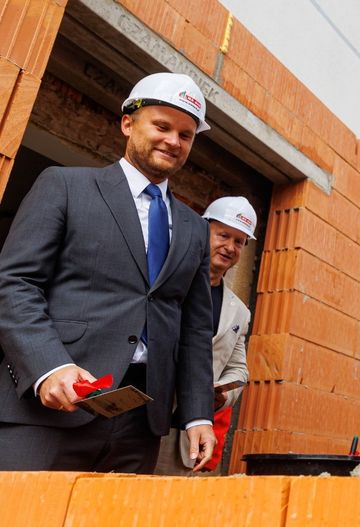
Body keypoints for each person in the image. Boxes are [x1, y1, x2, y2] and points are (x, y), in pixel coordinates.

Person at [0, 72, 217, 473]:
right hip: (53, 406)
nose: (174, 141)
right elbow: (14, 283)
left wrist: (196, 414)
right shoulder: (65, 186)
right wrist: (49, 365)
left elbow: (194, 330)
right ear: (128, 123)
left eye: (186, 135)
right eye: (162, 126)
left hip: (140, 423)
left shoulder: (195, 229)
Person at [155, 196, 255, 475]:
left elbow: (238, 370)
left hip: (188, 437)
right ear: (203, 230)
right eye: (223, 235)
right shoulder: (164, 281)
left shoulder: (239, 312)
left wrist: (223, 396)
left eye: (239, 242)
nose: (230, 247)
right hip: (143, 423)